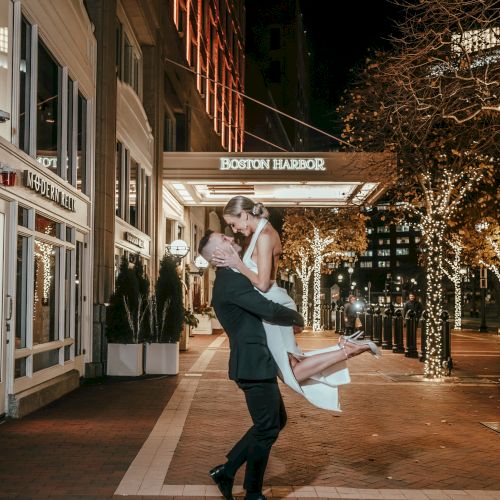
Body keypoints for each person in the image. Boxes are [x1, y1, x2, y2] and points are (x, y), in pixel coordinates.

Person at [210, 196, 379, 413]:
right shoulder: (262, 233)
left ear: (244, 215)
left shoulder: (264, 235)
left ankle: (347, 349)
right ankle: (347, 348)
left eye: (233, 224)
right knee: (291, 366)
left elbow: (262, 283)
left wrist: (236, 264)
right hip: (275, 301)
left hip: (272, 301)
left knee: (290, 371)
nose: (234, 229)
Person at [198, 230, 304, 500]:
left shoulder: (232, 276)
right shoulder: (229, 282)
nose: (232, 240)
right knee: (268, 426)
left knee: (275, 421)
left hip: (255, 362)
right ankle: (252, 491)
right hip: (252, 364)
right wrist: (297, 317)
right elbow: (266, 308)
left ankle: (227, 470)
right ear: (216, 256)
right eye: (225, 240)